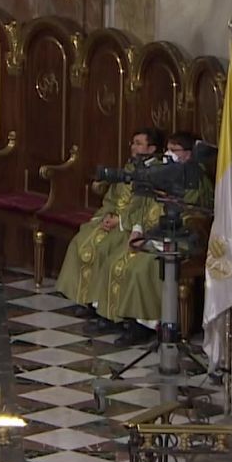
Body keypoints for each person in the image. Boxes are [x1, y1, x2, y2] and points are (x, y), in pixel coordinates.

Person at [99, 132, 213, 346]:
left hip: (183, 238)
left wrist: (154, 238)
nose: (169, 154)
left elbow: (192, 213)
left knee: (142, 267)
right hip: (156, 233)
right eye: (167, 149)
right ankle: (122, 317)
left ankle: (145, 325)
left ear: (189, 154)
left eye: (175, 150)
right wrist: (138, 228)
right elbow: (147, 204)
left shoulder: (195, 178)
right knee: (118, 257)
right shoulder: (166, 172)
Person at [58, 128, 162, 332]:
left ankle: (106, 309)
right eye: (132, 143)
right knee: (83, 239)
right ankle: (88, 299)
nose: (133, 147)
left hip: (130, 227)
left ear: (152, 148)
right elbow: (112, 198)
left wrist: (121, 221)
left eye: (139, 143)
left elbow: (145, 208)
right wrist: (106, 216)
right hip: (116, 220)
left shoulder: (157, 175)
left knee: (107, 249)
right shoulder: (130, 167)